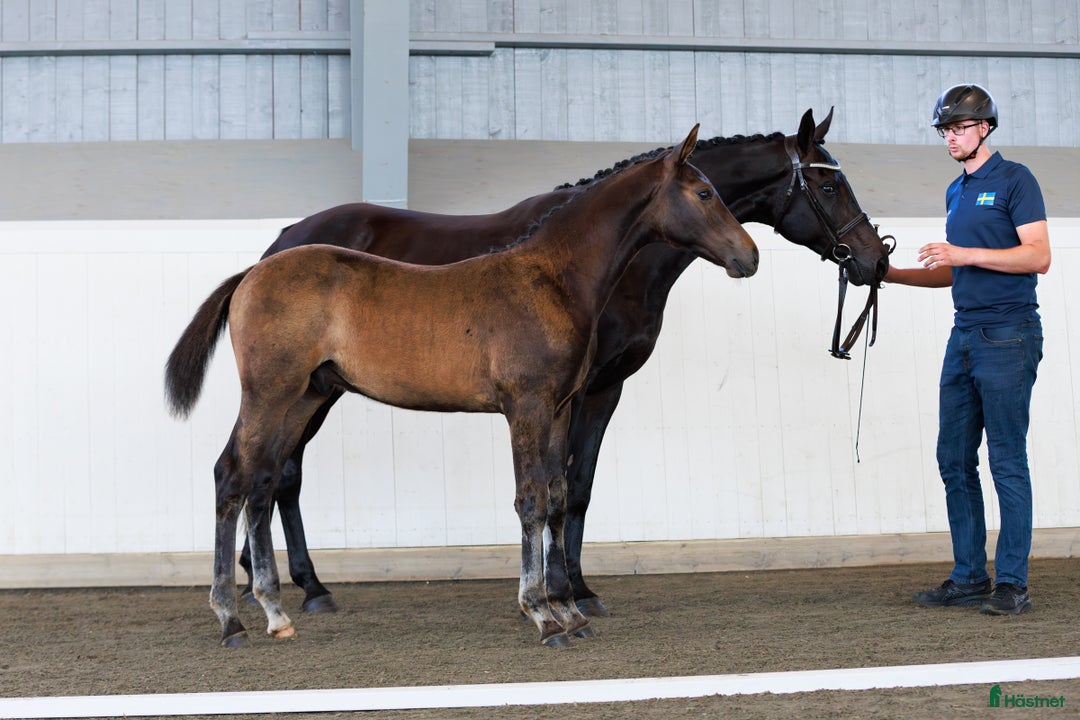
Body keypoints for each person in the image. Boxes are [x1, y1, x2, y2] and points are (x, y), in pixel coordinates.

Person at [885, 84, 1051, 615]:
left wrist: (961, 250)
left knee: (1006, 461)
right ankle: (968, 577)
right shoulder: (957, 192)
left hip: (1009, 334)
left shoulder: (1016, 180)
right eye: (945, 130)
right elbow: (957, 271)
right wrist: (886, 275)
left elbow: (1037, 257)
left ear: (984, 128)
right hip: (964, 336)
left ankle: (1013, 584)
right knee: (953, 459)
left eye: (959, 127)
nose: (951, 137)